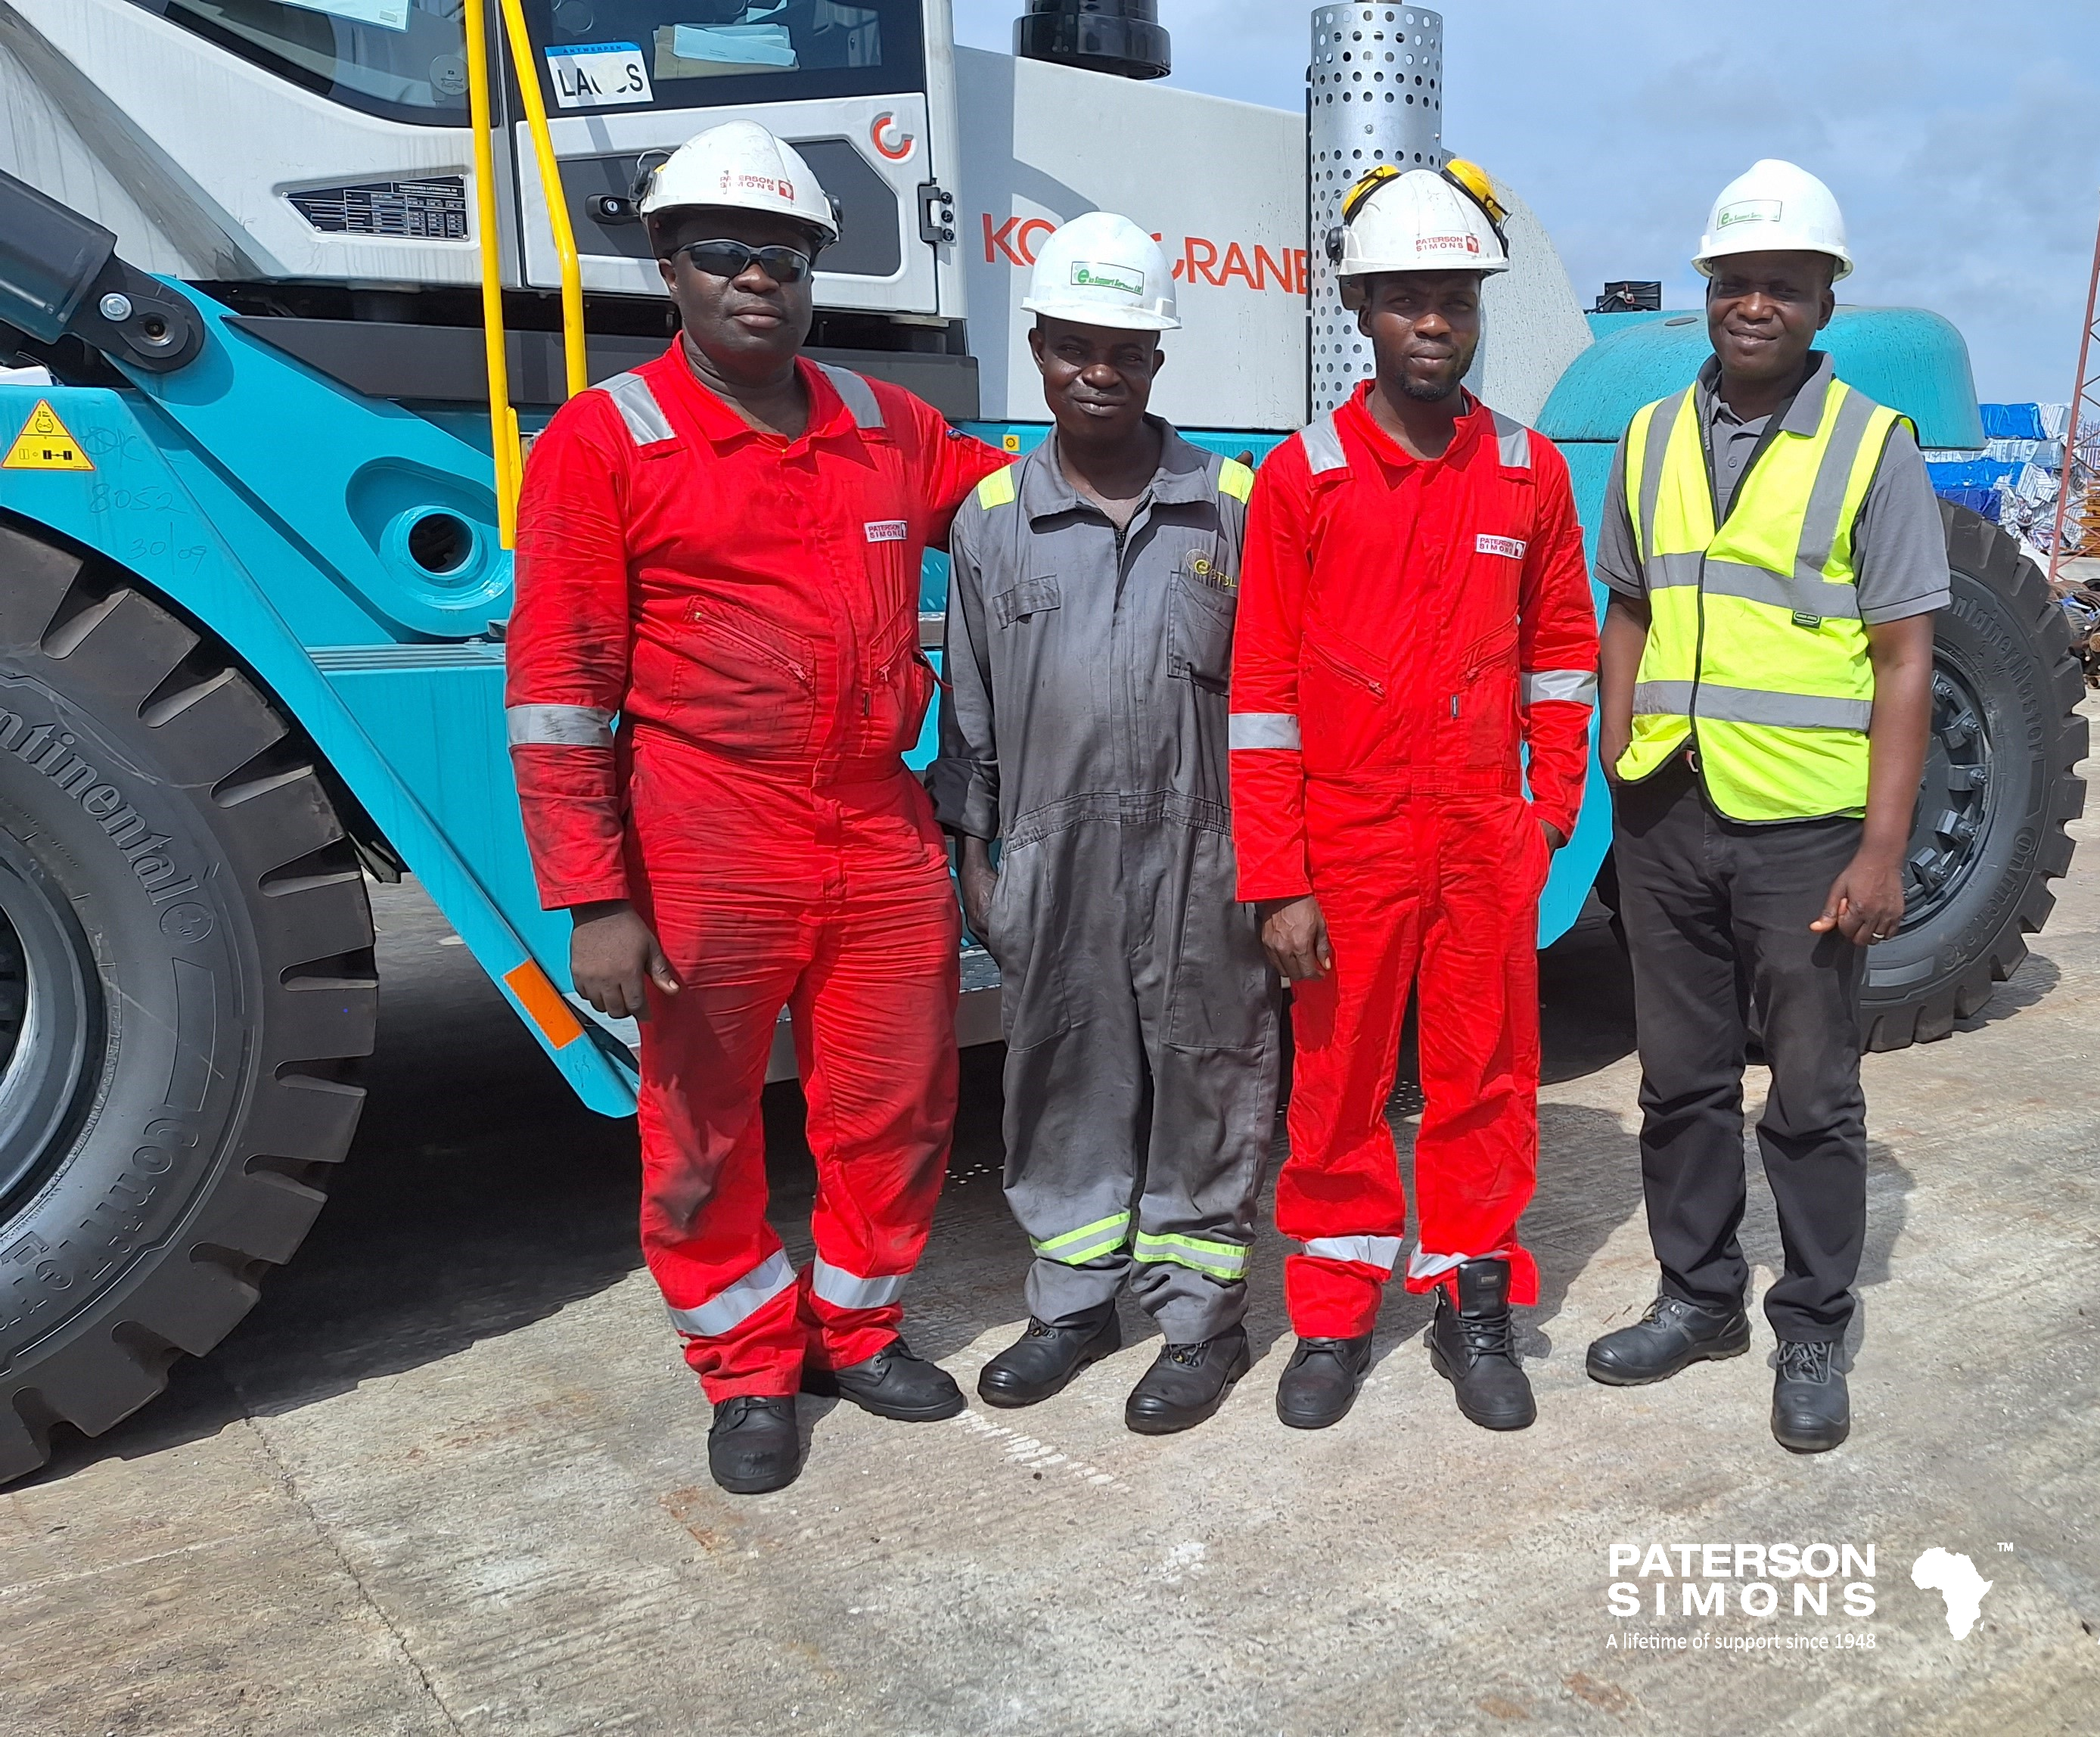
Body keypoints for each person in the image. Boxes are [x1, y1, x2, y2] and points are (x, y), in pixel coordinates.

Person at [504, 121, 1008, 1496]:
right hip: (705, 827)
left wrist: (1206, 483)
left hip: (874, 821)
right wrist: (596, 896)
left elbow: (1025, 500)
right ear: (668, 265)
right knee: (702, 1122)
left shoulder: (886, 427)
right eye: (723, 252)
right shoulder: (609, 443)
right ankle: (743, 1366)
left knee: (899, 1098)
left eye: (781, 255)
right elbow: (557, 692)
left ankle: (856, 1326)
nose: (756, 279)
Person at [1229, 163, 1598, 1433]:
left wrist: (1547, 809)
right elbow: (1263, 689)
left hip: (1482, 838)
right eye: (1407, 300)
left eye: (1456, 300)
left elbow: (1563, 652)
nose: (1434, 323)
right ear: (1363, 308)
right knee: (1333, 1085)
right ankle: (1332, 1316)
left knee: (1485, 1076)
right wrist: (1277, 874)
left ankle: (1469, 1297)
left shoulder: (1527, 473)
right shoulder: (1305, 478)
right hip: (1347, 842)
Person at [1583, 160, 1943, 1453]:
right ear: (1707, 291)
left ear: (1823, 298)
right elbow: (1627, 601)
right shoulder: (1650, 437)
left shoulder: (1870, 447)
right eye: (1733, 281)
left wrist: (1885, 846)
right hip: (1669, 815)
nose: (1753, 303)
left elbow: (1907, 657)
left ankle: (1810, 1324)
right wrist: (1618, 745)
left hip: (1807, 834)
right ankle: (1698, 1300)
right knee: (1678, 1082)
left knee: (1808, 1091)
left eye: (1780, 284)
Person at [931, 213, 1277, 1435]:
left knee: (1209, 1074)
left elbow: (1278, 699)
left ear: (1156, 362)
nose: (1098, 369)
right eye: (1074, 345)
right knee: (1060, 1072)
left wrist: (1273, 864)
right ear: (1037, 349)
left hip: (1206, 853)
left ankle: (1199, 1319)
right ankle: (1074, 1301)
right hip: (1051, 852)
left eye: (1123, 348)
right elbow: (964, 705)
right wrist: (977, 858)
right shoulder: (986, 520)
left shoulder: (1231, 507)